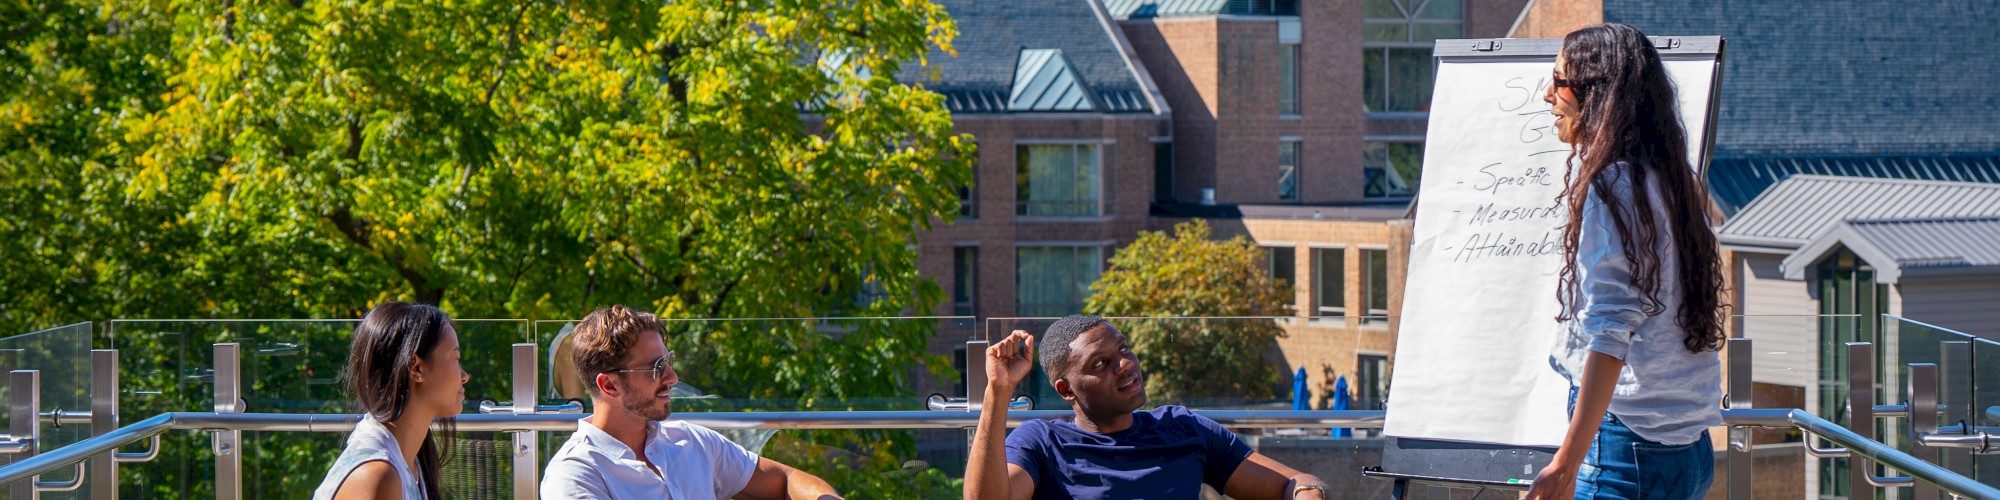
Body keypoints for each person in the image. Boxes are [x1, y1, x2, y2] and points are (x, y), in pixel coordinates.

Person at [1524, 23, 1729, 500]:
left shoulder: (1612, 187)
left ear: (1596, 94)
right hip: (1690, 451)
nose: (1547, 96)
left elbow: (1612, 331)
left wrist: (1565, 464)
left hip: (1625, 452)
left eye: (1559, 82)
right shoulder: (1676, 181)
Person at [965, 315, 1329, 499]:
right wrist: (998, 390)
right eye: (1101, 364)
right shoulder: (1043, 442)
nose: (1124, 365)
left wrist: (1308, 493)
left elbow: (1296, 482)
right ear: (1067, 390)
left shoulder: (1183, 428)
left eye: (1123, 349)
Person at [541, 305, 842, 499]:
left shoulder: (691, 441)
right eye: (656, 368)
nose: (672, 377)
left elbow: (784, 479)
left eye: (668, 361)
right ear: (609, 385)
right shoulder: (575, 476)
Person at [314, 301, 469, 500]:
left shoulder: (410, 460)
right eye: (455, 358)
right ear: (417, 369)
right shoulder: (377, 476)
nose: (464, 376)